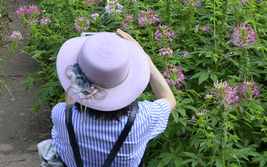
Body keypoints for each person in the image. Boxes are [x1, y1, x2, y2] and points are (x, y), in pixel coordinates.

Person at [49, 29, 176, 167]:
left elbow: (70, 105)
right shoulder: (143, 118)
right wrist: (146, 60)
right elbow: (169, 99)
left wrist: (77, 81)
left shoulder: (60, 115)